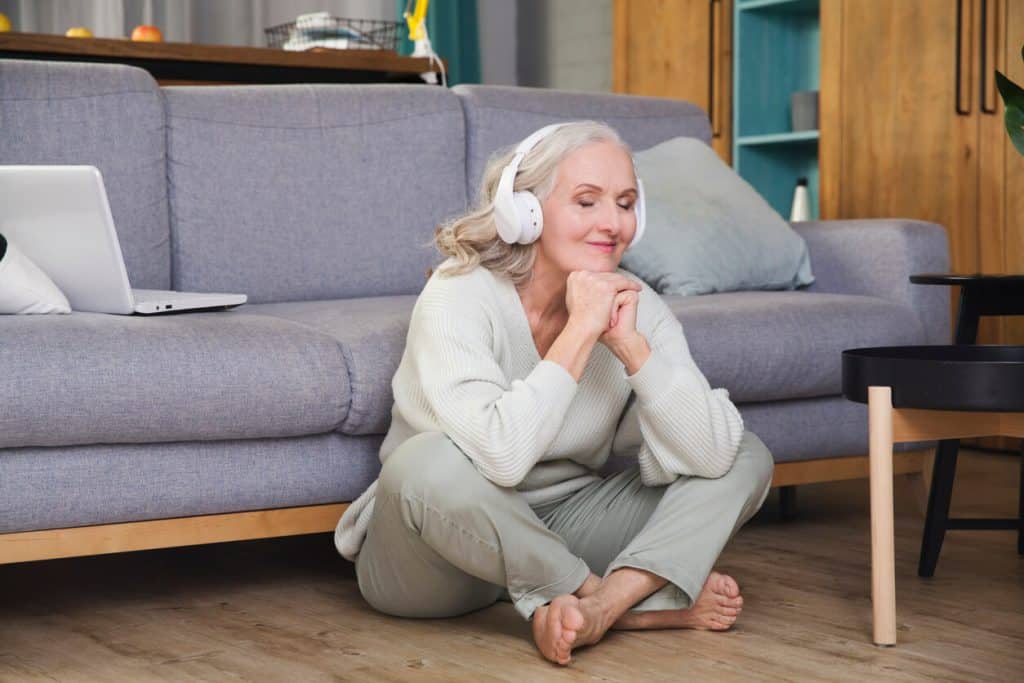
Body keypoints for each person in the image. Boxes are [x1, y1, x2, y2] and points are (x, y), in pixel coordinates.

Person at [335, 121, 774, 666]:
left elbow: (708, 454)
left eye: (626, 202)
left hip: (567, 523)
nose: (612, 223)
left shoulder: (637, 307)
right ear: (527, 212)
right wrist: (580, 332)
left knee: (741, 451)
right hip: (437, 558)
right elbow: (500, 457)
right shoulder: (459, 292)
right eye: (587, 201)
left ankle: (601, 608)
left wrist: (634, 349)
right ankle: (620, 601)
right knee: (423, 462)